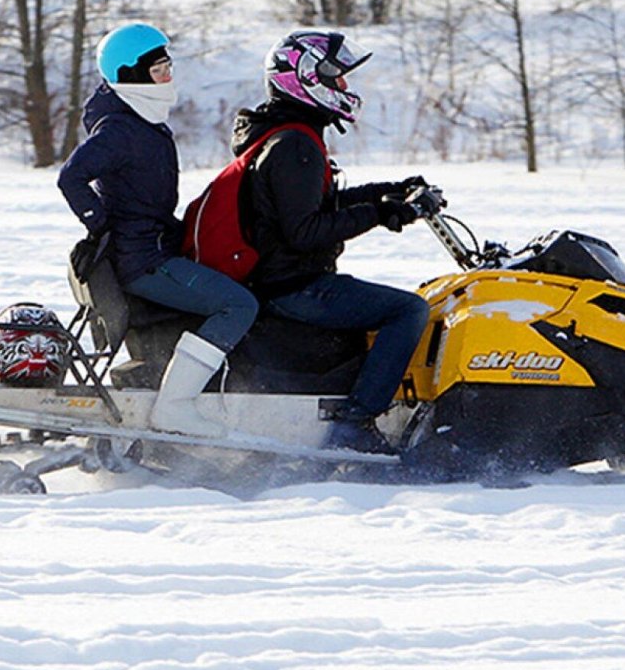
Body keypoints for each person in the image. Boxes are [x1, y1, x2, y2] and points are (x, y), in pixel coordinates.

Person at [228, 29, 431, 453]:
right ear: (305, 78)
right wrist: (381, 214)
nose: (344, 87)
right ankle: (355, 426)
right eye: (336, 77)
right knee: (409, 309)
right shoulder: (295, 145)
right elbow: (305, 232)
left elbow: (321, 202)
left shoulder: (287, 135)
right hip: (293, 285)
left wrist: (387, 191)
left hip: (283, 277)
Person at [58, 23, 258, 438]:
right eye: (159, 68)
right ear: (132, 74)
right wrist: (99, 225)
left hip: (154, 250)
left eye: (169, 65)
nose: (169, 76)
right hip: (143, 261)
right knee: (238, 306)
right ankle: (176, 406)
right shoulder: (120, 130)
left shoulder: (142, 121)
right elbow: (71, 177)